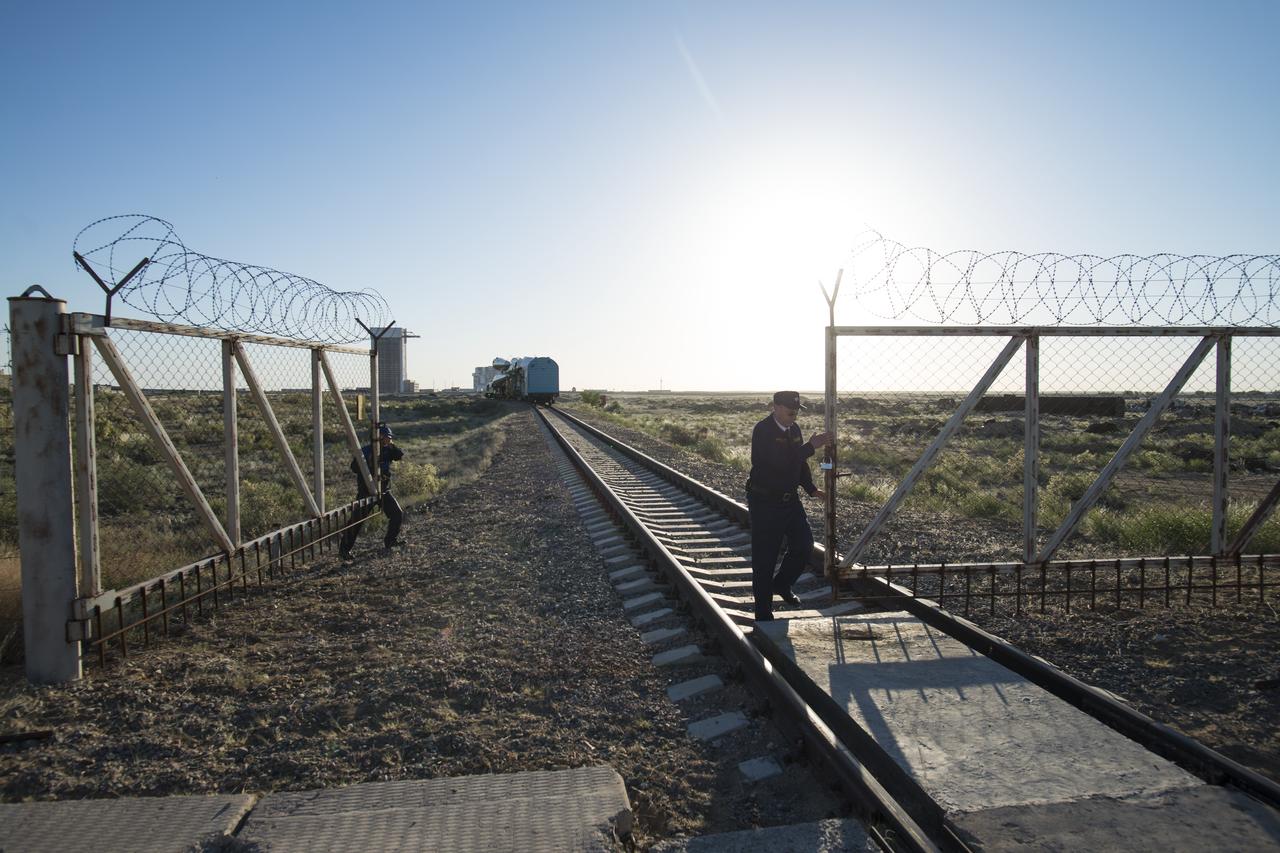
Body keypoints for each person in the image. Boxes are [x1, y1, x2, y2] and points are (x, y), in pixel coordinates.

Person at [745, 391, 831, 621]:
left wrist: (811, 489)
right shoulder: (763, 430)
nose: (793, 412)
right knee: (765, 558)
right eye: (788, 408)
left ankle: (781, 585)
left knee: (804, 546)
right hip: (765, 501)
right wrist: (810, 447)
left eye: (796, 409)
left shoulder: (795, 429)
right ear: (775, 407)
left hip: (789, 500)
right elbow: (779, 463)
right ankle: (763, 612)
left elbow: (798, 464)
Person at [339, 422, 405, 560]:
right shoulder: (366, 451)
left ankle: (390, 541)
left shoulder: (388, 450)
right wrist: (369, 463)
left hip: (383, 490)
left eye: (389, 437)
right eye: (387, 437)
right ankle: (344, 551)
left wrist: (390, 446)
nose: (389, 439)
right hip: (366, 492)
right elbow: (354, 468)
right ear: (379, 436)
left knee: (397, 514)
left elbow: (399, 455)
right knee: (356, 521)